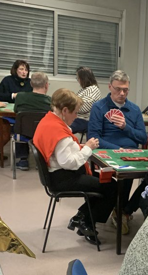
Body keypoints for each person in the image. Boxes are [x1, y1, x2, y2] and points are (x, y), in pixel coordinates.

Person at [33, 89, 117, 245]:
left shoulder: (48, 121)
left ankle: (81, 217)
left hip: (56, 176)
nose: (77, 116)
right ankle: (87, 222)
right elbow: (69, 162)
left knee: (100, 182)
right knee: (112, 186)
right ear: (65, 110)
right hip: (64, 178)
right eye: (75, 112)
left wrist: (79, 147)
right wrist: (88, 148)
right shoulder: (59, 131)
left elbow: (61, 151)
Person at [87, 69, 147, 150]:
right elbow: (93, 138)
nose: (122, 93)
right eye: (118, 89)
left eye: (125, 90)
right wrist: (118, 149)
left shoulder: (135, 109)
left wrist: (125, 127)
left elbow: (143, 139)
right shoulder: (98, 107)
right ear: (110, 87)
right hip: (109, 151)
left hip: (131, 151)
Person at [13, 71, 52, 171]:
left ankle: (23, 160)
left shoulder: (20, 96)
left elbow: (16, 110)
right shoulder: (50, 101)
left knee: (20, 128)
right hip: (43, 135)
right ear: (46, 85)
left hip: (23, 133)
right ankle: (41, 160)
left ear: (31, 84)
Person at [70, 67, 102, 136]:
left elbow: (84, 108)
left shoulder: (93, 89)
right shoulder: (85, 89)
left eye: (78, 78)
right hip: (77, 118)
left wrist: (70, 106)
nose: (78, 80)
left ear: (83, 78)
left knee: (63, 128)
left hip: (84, 120)